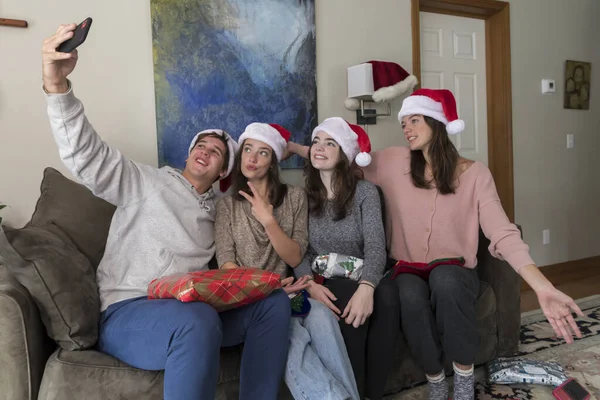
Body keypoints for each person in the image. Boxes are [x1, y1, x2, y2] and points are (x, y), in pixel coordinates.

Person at [42, 24, 292, 400]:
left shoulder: (222, 212)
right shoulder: (144, 181)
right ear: (190, 153)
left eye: (217, 152)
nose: (206, 151)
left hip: (193, 309)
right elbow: (86, 156)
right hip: (130, 312)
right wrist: (58, 88)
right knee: (198, 319)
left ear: (224, 171)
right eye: (201, 145)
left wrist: (277, 280)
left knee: (272, 305)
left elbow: (241, 263)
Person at [286, 88, 584, 400]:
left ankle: (464, 379)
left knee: (445, 280)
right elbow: (337, 152)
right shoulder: (392, 162)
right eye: (404, 123)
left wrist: (540, 285)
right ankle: (436, 379)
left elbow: (502, 232)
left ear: (438, 123)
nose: (407, 128)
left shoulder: (475, 174)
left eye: (414, 120)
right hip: (407, 269)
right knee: (409, 293)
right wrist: (292, 147)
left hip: (455, 269)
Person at [215, 122, 360, 400]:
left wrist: (269, 220)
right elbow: (226, 266)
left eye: (263, 152)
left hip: (290, 291)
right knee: (289, 330)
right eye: (248, 149)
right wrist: (269, 290)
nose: (252, 158)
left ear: (272, 162)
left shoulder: (294, 197)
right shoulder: (226, 206)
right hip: (251, 300)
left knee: (323, 318)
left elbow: (294, 255)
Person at [291, 117, 400, 400]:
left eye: (330, 143)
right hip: (325, 278)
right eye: (316, 141)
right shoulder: (304, 198)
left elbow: (377, 246)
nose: (319, 148)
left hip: (367, 271)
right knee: (348, 305)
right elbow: (300, 251)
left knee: (387, 296)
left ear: (344, 154)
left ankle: (372, 394)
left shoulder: (365, 193)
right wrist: (309, 286)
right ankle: (354, 392)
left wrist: (368, 287)